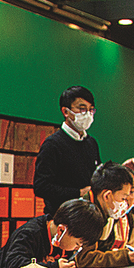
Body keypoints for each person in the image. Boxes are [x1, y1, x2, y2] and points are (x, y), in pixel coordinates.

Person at [75, 161, 134, 268]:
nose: (126, 203)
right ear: (107, 196)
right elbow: (84, 260)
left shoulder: (108, 213)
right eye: (123, 198)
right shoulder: (85, 214)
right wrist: (125, 257)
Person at [33, 86, 101, 216]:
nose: (87, 114)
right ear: (66, 112)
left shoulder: (91, 143)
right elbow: (41, 186)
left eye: (91, 110)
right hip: (61, 216)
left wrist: (118, 172)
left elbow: (97, 178)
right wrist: (78, 193)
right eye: (82, 109)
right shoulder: (52, 144)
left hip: (88, 216)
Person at [0, 198, 105, 268]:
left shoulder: (64, 240)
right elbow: (14, 264)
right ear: (61, 230)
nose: (77, 248)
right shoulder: (30, 233)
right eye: (78, 244)